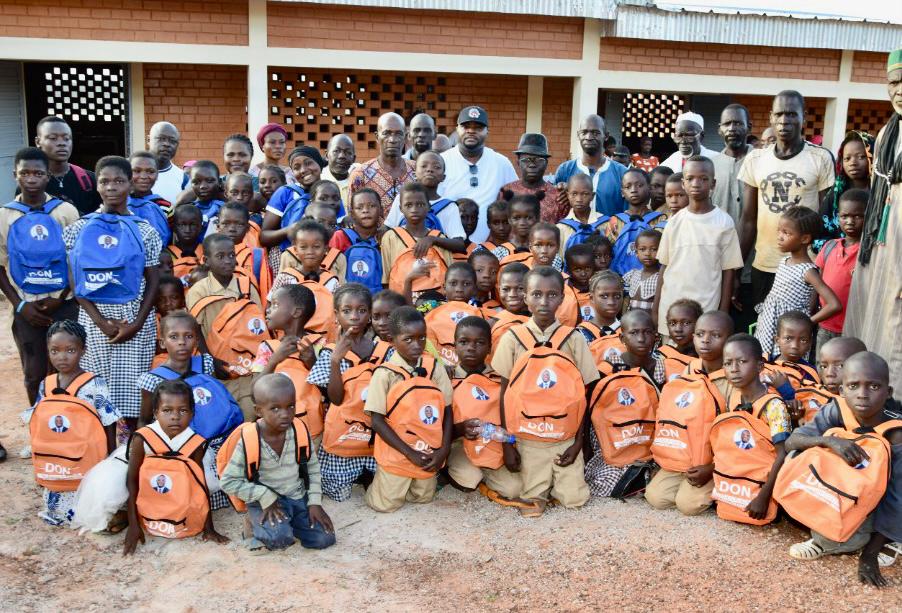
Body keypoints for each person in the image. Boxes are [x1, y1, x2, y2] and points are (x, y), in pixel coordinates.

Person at [784, 352, 902, 587]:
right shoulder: (838, 409)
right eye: (853, 385)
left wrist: (869, 555)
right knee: (795, 457)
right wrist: (831, 441)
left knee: (846, 540)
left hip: (881, 499)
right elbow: (792, 441)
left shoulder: (895, 432)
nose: (862, 394)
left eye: (874, 386)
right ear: (841, 390)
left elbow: (897, 498)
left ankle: (885, 538)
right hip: (849, 488)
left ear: (888, 393)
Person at [63, 156, 161, 438]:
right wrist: (102, 322)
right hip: (95, 321)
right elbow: (75, 281)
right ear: (97, 185)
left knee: (133, 385)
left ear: (130, 184)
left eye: (119, 180)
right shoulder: (80, 229)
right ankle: (103, 444)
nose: (112, 187)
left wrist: (138, 323)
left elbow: (153, 279)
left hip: (134, 319)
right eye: (105, 181)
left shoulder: (144, 230)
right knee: (99, 386)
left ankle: (130, 445)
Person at [493, 266, 598, 516]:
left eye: (552, 295)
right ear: (525, 297)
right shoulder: (513, 338)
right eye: (536, 294)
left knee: (575, 499)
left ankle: (554, 480)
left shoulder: (573, 338)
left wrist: (579, 442)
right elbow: (504, 393)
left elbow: (585, 393)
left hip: (564, 435)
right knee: (528, 497)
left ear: (562, 299)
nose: (544, 301)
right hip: (527, 436)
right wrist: (508, 443)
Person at [739, 91, 835, 308]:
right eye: (780, 114)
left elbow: (826, 220)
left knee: (798, 335)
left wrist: (823, 267)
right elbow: (747, 220)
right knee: (762, 330)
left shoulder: (820, 158)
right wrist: (737, 270)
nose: (784, 121)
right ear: (771, 117)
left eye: (792, 114)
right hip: (763, 265)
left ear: (804, 116)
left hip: (805, 267)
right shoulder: (755, 159)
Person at [1, 147, 81, 406]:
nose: (31, 178)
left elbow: (78, 260)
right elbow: (0, 266)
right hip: (26, 308)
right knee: (33, 372)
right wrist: (20, 305)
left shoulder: (65, 211)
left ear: (48, 176)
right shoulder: (4, 216)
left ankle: (69, 422)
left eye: (38, 173)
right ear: (15, 175)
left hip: (64, 305)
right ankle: (39, 425)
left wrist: (63, 297)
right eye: (25, 173)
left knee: (67, 368)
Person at [841, 52, 902, 390]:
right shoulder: (885, 135)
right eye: (894, 82)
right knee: (873, 323)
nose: (899, 90)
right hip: (880, 245)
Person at [220, 374, 336, 551]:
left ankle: (291, 522)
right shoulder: (250, 439)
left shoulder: (299, 431)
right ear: (258, 411)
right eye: (275, 409)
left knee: (324, 538)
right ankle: (253, 522)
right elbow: (228, 481)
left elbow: (312, 468)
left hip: (297, 496)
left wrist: (314, 502)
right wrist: (264, 495)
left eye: (290, 406)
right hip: (265, 501)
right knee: (279, 539)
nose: (285, 415)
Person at [25, 320, 118, 525]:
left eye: (70, 350)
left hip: (86, 454)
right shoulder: (46, 384)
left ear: (83, 350)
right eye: (55, 351)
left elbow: (109, 421)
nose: (62, 357)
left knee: (87, 498)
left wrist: (110, 457)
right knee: (57, 498)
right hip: (56, 455)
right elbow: (38, 422)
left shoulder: (94, 383)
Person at [364, 306, 454, 512]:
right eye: (408, 339)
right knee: (385, 505)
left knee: (423, 497)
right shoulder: (384, 374)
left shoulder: (433, 366)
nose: (417, 345)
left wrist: (443, 451)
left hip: (427, 449)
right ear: (392, 340)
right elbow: (376, 421)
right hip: (398, 450)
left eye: (422, 338)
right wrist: (409, 453)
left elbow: (448, 410)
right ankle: (373, 483)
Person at [311, 284, 390, 500]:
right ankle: (355, 475)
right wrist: (336, 359)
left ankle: (366, 474)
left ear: (370, 315)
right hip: (343, 434)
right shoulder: (329, 352)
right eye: (347, 311)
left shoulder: (384, 350)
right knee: (338, 494)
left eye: (361, 310)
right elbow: (335, 399)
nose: (354, 316)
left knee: (384, 489)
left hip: (377, 434)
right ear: (336, 315)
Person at [653, 156, 743, 339]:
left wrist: (723, 314)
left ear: (713, 183)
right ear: (683, 183)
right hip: (672, 309)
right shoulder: (674, 222)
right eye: (691, 178)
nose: (696, 184)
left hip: (706, 310)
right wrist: (656, 308)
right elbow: (664, 266)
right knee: (671, 360)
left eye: (703, 179)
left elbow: (728, 272)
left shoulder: (724, 222)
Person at [713, 334, 791, 524]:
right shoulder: (735, 397)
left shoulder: (774, 406)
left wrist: (763, 497)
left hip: (763, 479)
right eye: (728, 363)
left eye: (742, 361)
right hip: (741, 471)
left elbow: (783, 455)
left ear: (759, 366)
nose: (734, 369)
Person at [585, 309, 665, 496]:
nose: (641, 338)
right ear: (622, 339)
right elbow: (589, 410)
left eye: (647, 332)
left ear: (656, 336)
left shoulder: (661, 367)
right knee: (601, 483)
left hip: (648, 437)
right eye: (634, 332)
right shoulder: (607, 369)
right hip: (615, 438)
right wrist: (586, 447)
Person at [187, 233, 265, 418]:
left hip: (246, 370)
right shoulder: (199, 291)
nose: (228, 261)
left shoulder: (245, 287)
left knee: (249, 418)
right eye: (220, 256)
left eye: (231, 255)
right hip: (216, 370)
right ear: (206, 260)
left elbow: (259, 328)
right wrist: (210, 360)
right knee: (221, 421)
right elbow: (194, 330)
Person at [447, 316, 524, 504]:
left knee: (514, 489)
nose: (471, 348)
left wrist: (509, 446)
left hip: (495, 442)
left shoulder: (500, 377)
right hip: (460, 443)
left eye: (479, 343)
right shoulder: (446, 378)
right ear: (454, 346)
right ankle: (450, 473)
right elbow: (436, 424)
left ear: (489, 348)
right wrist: (460, 429)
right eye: (464, 342)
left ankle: (488, 476)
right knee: (468, 478)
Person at [754, 206, 841, 357]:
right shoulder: (784, 261)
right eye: (779, 231)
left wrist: (807, 322)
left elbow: (834, 304)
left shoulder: (808, 271)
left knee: (787, 366)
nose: (780, 237)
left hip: (790, 333)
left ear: (805, 239)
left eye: (786, 233)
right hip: (770, 323)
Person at [439, 106, 518, 242]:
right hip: (448, 246)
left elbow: (517, 198)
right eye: (466, 126)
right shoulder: (441, 161)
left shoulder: (501, 162)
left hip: (490, 249)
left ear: (487, 131)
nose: (471, 131)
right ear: (457, 129)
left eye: (478, 127)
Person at [814, 189, 865, 347]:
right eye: (844, 216)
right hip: (824, 325)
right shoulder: (829, 247)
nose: (850, 221)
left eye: (857, 216)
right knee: (824, 367)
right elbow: (816, 285)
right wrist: (811, 315)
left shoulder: (869, 252)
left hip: (854, 329)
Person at [553, 114, 628, 217]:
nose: (588, 137)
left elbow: (628, 213)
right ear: (578, 135)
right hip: (572, 232)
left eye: (595, 133)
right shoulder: (565, 170)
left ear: (606, 136)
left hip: (609, 232)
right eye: (584, 132)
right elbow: (555, 209)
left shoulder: (621, 173)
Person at [385, 151, 467, 239]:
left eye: (436, 167)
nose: (429, 170)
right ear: (414, 174)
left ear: (443, 177)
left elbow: (459, 243)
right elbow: (388, 228)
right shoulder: (401, 198)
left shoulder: (449, 207)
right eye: (424, 166)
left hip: (435, 252)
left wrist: (432, 240)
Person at [29, 116, 101, 216]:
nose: (62, 143)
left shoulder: (89, 180)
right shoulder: (30, 183)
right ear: (38, 142)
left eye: (66, 138)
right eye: (53, 138)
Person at [349, 112, 416, 217]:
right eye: (386, 133)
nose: (392, 140)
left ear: (405, 137)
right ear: (377, 137)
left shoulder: (417, 171)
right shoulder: (360, 174)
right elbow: (352, 216)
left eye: (398, 134)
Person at [818, 131, 873, 247]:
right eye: (847, 158)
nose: (853, 163)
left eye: (861, 157)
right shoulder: (835, 194)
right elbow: (820, 234)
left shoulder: (884, 192)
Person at [500, 133, 564, 223]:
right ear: (518, 163)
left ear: (546, 163)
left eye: (538, 160)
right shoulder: (506, 192)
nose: (532, 165)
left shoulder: (558, 197)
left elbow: (565, 231)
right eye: (526, 160)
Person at [712, 104, 753, 228]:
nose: (732, 128)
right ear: (720, 129)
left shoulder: (761, 161)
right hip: (717, 241)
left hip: (755, 245)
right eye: (727, 124)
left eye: (738, 123)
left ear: (749, 128)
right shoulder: (710, 166)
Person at [148, 122, 188, 205]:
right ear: (148, 140)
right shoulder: (131, 173)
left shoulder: (184, 179)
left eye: (172, 141)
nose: (166, 144)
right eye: (161, 139)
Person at [622, 230, 660, 314]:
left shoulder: (661, 278)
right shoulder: (632, 275)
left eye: (654, 249)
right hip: (631, 323)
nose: (647, 253)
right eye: (642, 249)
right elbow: (626, 300)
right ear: (636, 252)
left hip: (651, 324)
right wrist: (623, 318)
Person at [321, 134, 357, 205]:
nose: (341, 156)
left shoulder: (359, 183)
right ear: (326, 155)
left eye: (348, 152)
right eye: (336, 151)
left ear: (354, 158)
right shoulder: (318, 182)